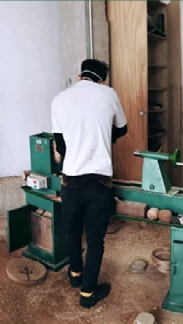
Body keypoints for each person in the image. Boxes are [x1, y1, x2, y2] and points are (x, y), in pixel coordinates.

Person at [51, 59, 128, 308]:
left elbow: (60, 146)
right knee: (95, 241)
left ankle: (75, 275)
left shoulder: (60, 99)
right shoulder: (109, 94)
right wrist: (104, 134)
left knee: (72, 232)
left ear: (79, 75)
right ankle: (87, 294)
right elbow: (123, 129)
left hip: (70, 180)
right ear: (102, 79)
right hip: (98, 182)